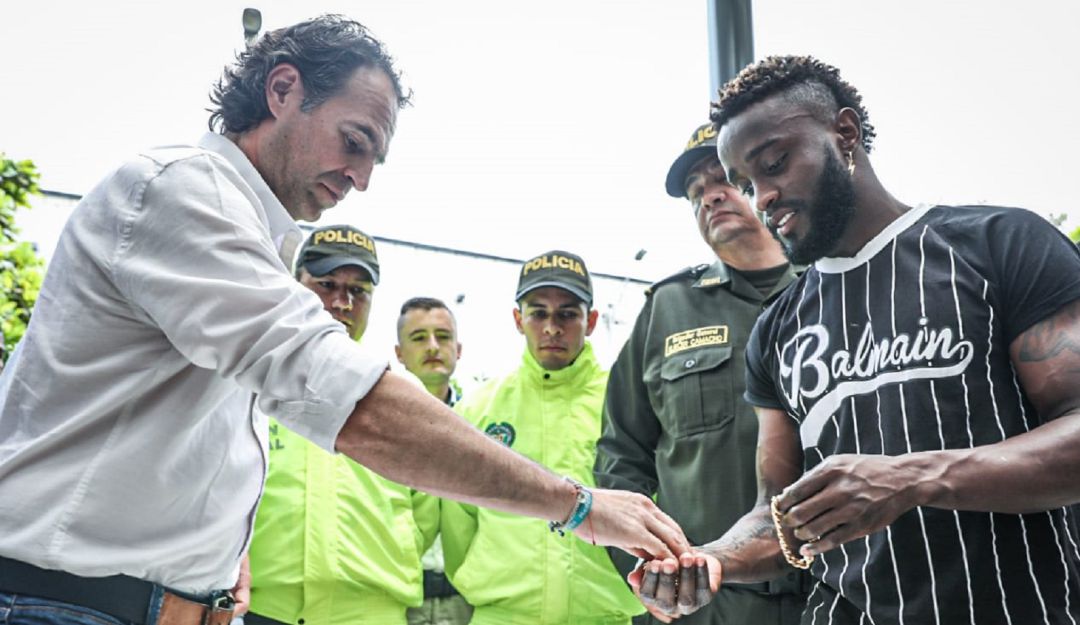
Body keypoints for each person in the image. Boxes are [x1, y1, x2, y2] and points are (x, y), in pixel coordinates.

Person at [0, 15, 689, 625]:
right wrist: (578, 505)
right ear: (282, 90)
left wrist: (214, 553)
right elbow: (351, 402)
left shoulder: (255, 240)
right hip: (67, 603)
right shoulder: (179, 193)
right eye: (353, 140)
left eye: (374, 158)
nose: (360, 178)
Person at [635, 55, 1080, 625]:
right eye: (748, 183)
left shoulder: (999, 245)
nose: (762, 196)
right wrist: (709, 559)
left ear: (844, 133)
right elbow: (778, 516)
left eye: (775, 164)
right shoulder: (777, 329)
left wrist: (914, 478)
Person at [594, 122, 806, 625]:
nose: (710, 199)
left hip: (834, 594)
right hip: (707, 603)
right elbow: (621, 457)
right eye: (696, 194)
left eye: (724, 180)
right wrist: (654, 572)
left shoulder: (833, 289)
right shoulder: (667, 309)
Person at [441, 251, 645, 625]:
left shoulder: (626, 404)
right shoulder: (477, 410)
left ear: (592, 321)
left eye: (567, 314)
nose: (552, 327)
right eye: (538, 313)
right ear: (519, 320)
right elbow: (458, 520)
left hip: (604, 615)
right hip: (501, 616)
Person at [246, 225, 431, 625]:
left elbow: (428, 511)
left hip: (371, 612)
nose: (342, 302)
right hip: (263, 608)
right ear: (295, 283)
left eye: (358, 291)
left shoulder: (401, 393)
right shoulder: (250, 381)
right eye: (327, 284)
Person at [396, 297, 474, 625]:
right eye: (418, 337)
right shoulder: (378, 427)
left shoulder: (482, 423)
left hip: (467, 602)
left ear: (458, 348)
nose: (432, 347)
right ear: (399, 354)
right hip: (400, 601)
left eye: (442, 337)